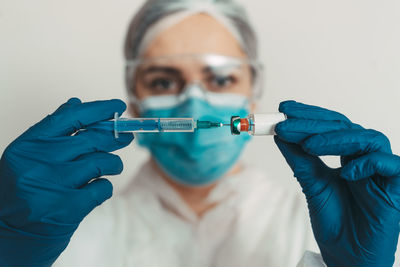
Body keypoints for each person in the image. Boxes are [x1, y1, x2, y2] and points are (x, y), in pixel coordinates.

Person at [1, 0, 400, 266]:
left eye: (222, 79)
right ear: (134, 102)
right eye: (162, 81)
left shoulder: (312, 225)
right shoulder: (59, 234)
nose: (194, 103)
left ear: (252, 95)